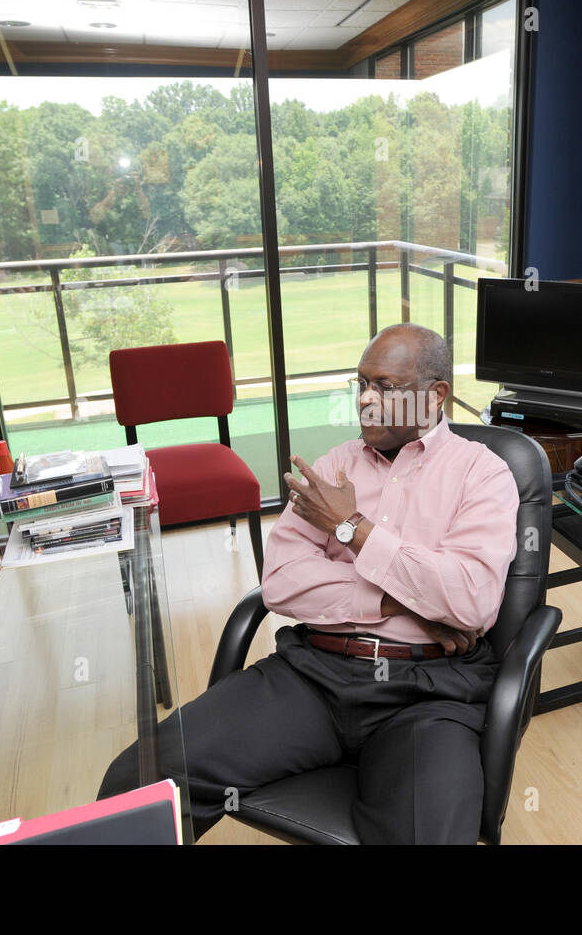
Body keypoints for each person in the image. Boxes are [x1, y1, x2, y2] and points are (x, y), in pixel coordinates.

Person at [97, 323, 520, 844]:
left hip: (428, 693)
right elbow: (281, 584)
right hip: (314, 674)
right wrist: (403, 597)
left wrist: (352, 530)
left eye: (384, 387)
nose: (365, 400)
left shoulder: (484, 474)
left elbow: (471, 601)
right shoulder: (334, 467)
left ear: (435, 396)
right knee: (135, 786)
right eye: (360, 383)